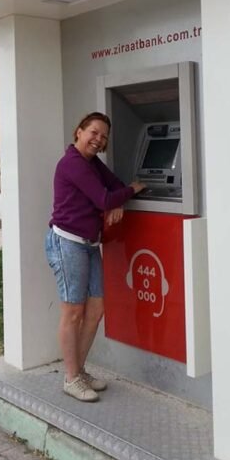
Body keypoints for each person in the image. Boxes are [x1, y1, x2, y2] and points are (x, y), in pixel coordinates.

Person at [45, 112, 145, 402]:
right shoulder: (72, 163)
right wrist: (132, 190)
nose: (98, 139)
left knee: (96, 310)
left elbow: (113, 187)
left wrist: (120, 199)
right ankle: (71, 378)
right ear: (79, 131)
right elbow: (104, 198)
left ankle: (79, 371)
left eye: (103, 136)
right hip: (67, 243)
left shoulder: (91, 164)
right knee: (73, 312)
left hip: (88, 245)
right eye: (93, 132)